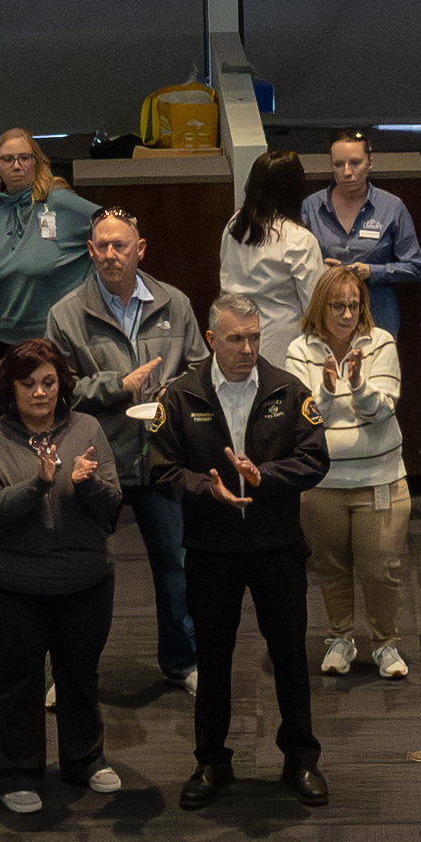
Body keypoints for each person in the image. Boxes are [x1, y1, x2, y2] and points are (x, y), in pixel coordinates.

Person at [166, 294, 329, 807]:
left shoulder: (287, 388)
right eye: (236, 338)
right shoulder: (181, 396)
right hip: (212, 552)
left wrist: (267, 476)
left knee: (289, 657)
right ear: (212, 340)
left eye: (255, 337)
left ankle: (300, 759)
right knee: (213, 660)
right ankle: (211, 762)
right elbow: (160, 470)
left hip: (276, 548)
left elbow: (315, 458)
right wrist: (203, 488)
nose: (248, 348)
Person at [46, 209, 201, 693]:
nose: (111, 254)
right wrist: (118, 385)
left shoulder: (176, 304)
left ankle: (182, 663)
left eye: (120, 245)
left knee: (176, 565)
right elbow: (56, 388)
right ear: (90, 251)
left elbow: (200, 370)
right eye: (102, 246)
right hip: (98, 457)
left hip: (162, 455)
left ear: (140, 249)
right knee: (80, 566)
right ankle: (67, 672)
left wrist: (169, 395)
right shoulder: (65, 313)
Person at [0, 336, 120, 821]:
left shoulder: (88, 427)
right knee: (19, 678)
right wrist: (38, 482)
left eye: (49, 382)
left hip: (84, 580)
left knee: (79, 672)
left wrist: (88, 483)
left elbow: (113, 508)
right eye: (28, 383)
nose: (40, 392)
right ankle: (15, 771)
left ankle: (84, 758)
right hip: (12, 584)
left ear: (63, 384)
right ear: (9, 388)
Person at [287, 260, 415, 685]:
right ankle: (340, 638)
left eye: (354, 306)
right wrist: (326, 391)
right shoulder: (299, 350)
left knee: (381, 568)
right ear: (320, 307)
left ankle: (385, 643)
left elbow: (384, 409)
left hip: (379, 478)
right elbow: (303, 417)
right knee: (330, 566)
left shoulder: (381, 343)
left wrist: (358, 386)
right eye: (337, 306)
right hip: (321, 482)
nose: (346, 315)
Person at [0, 126, 96, 349]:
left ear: (36, 162)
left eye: (24, 158)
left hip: (58, 337)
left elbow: (116, 225)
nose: (17, 165)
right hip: (1, 338)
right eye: (8, 159)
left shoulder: (58, 201)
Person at [215, 145, 325, 380]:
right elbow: (315, 311)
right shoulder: (300, 240)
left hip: (234, 342)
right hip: (283, 351)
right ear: (295, 189)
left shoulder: (234, 227)